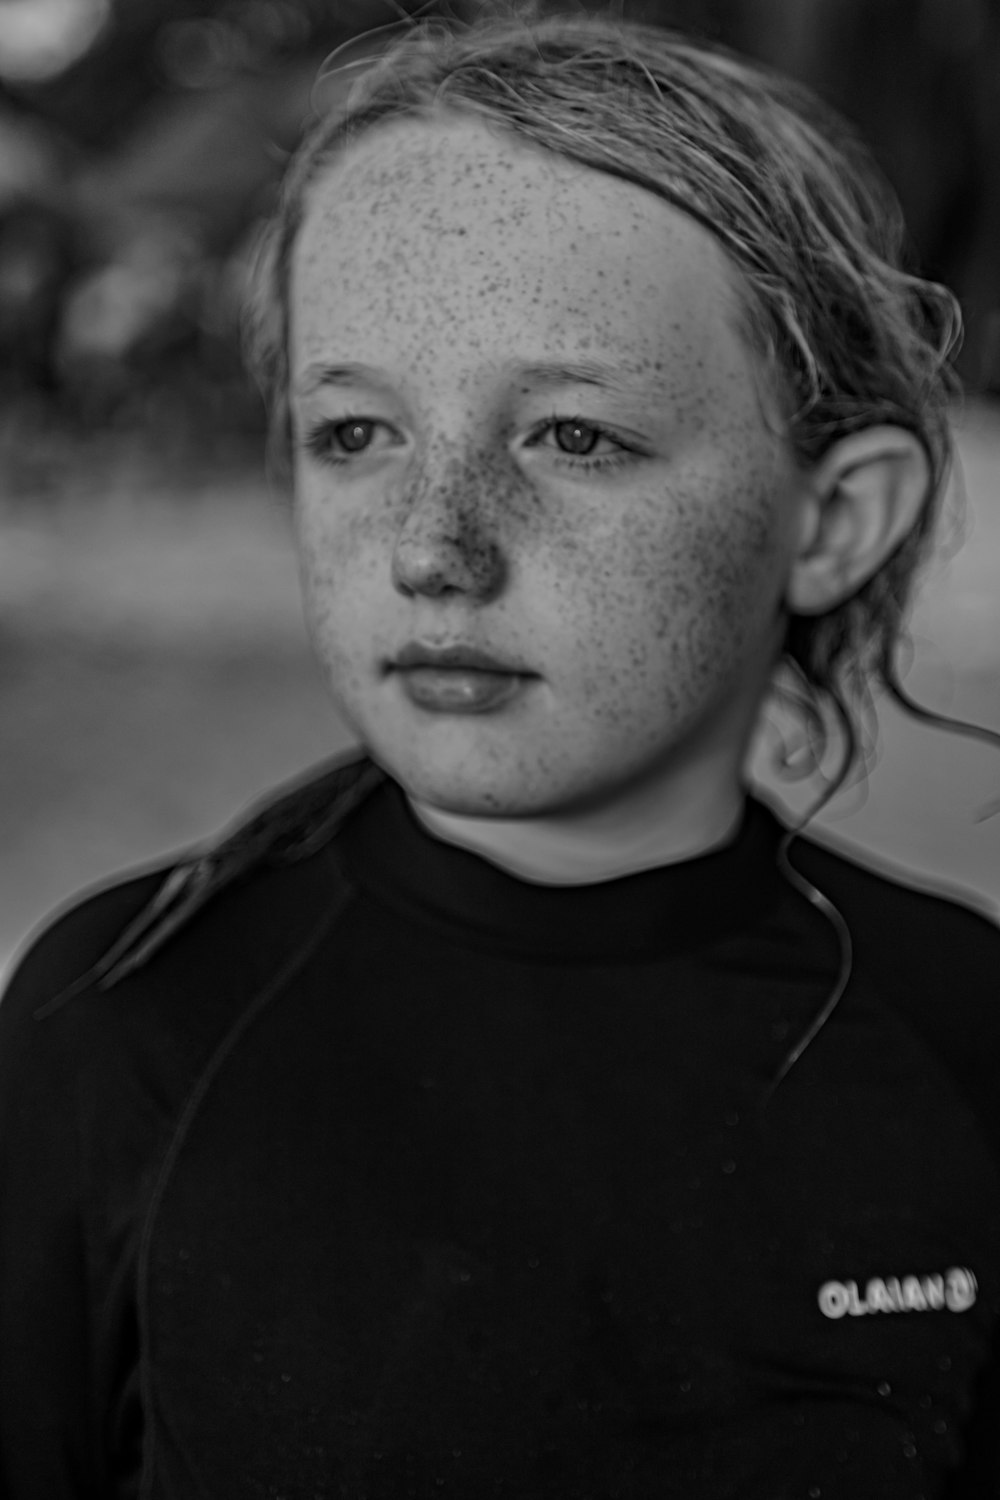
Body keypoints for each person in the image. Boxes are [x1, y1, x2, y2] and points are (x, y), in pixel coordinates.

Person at [1, 10, 997, 1498]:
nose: (433, 551)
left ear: (832, 518)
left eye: (573, 438)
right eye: (355, 434)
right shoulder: (125, 1028)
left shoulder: (967, 1035)